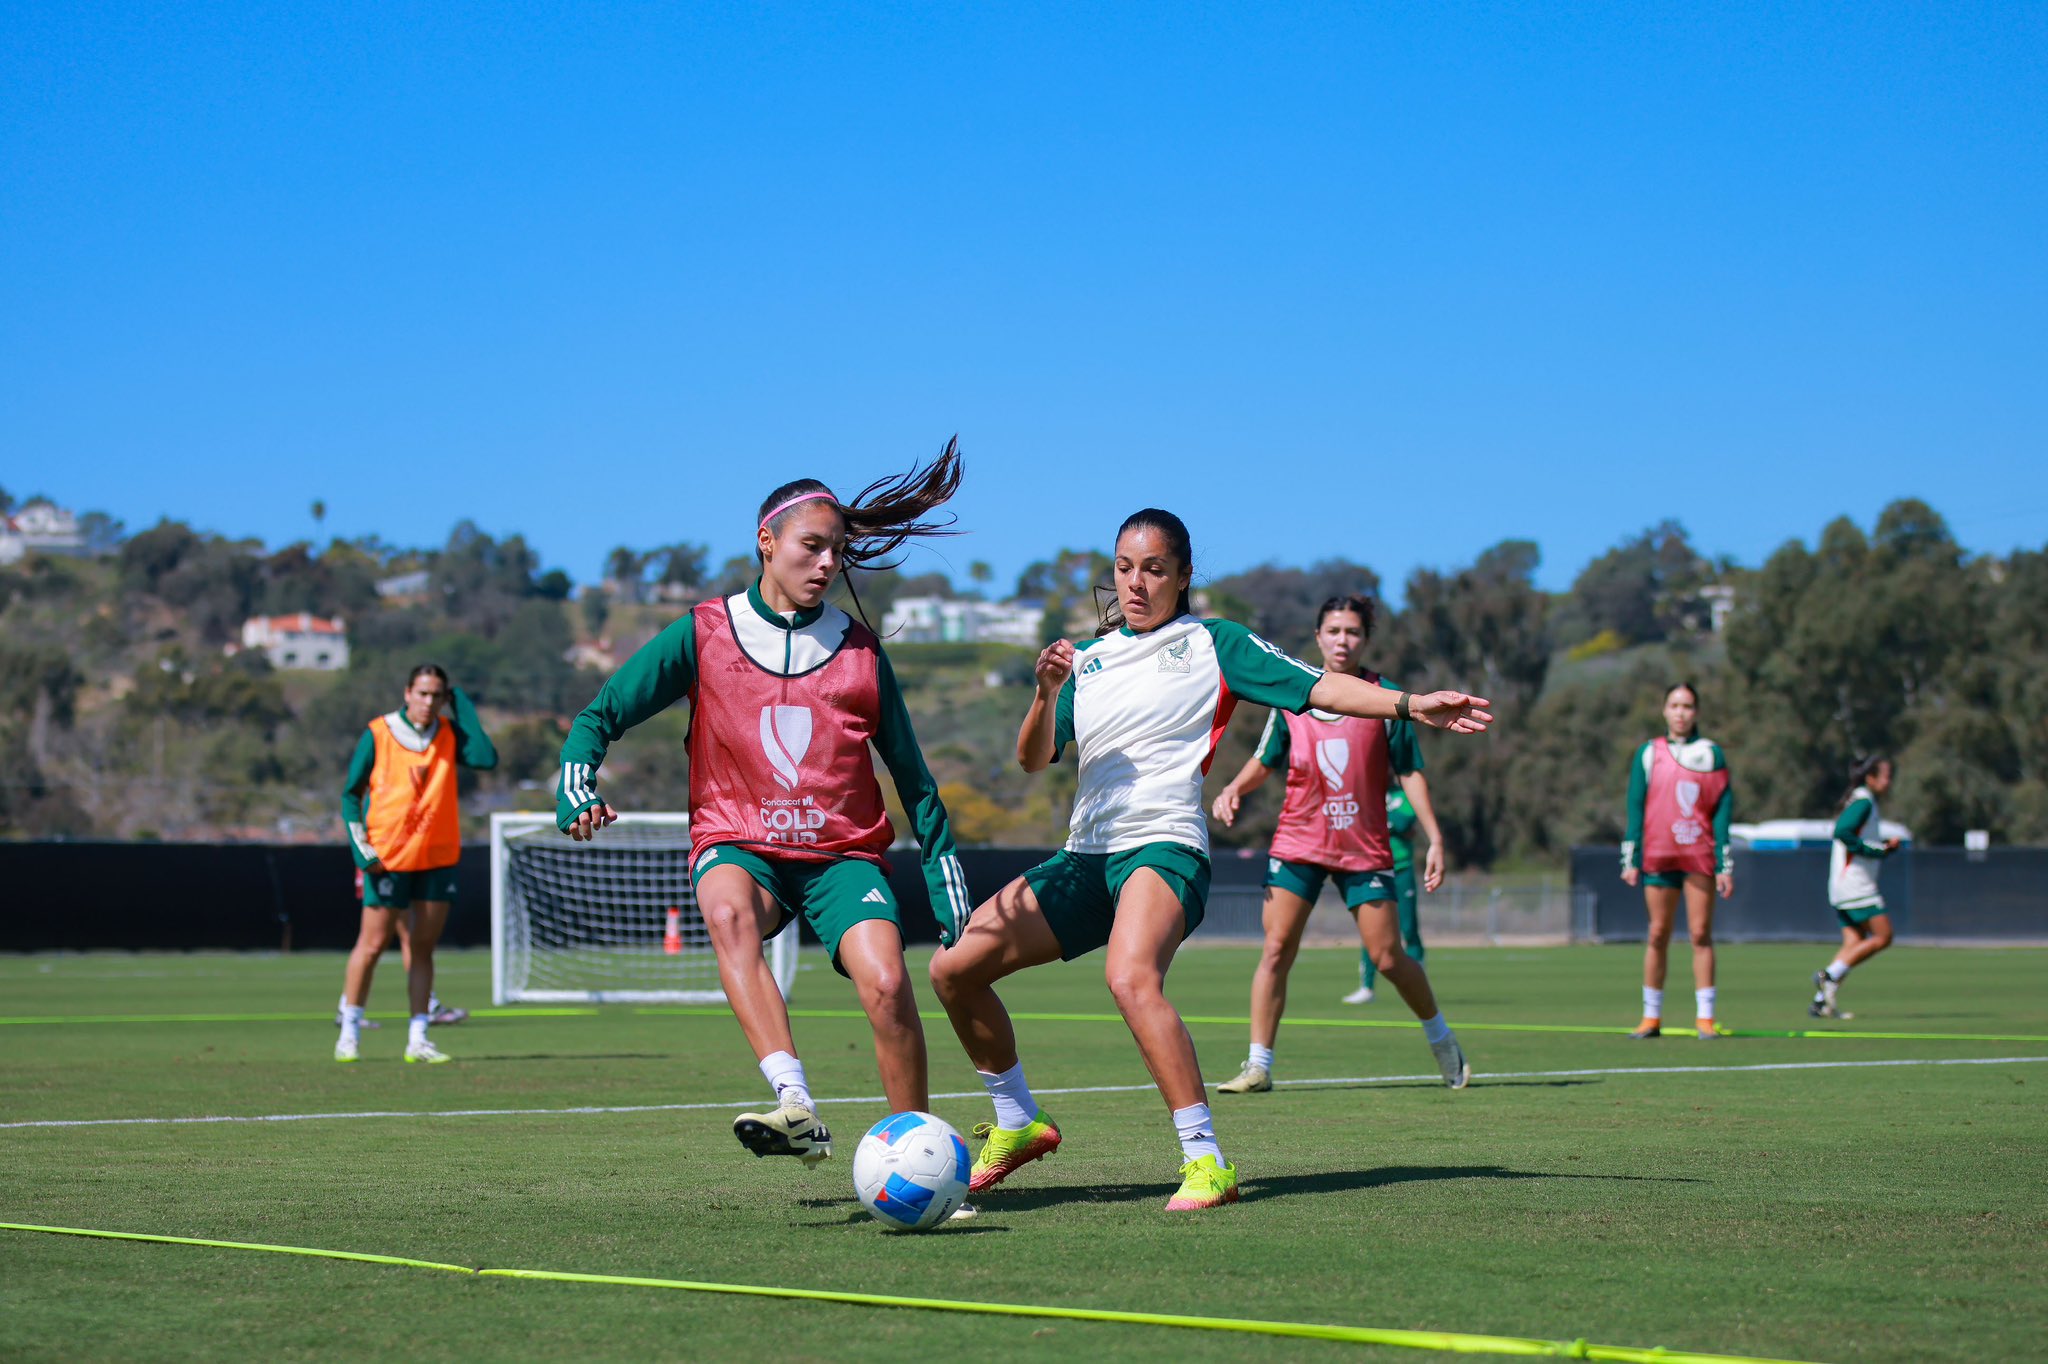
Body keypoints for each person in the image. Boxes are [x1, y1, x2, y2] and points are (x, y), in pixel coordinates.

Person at [928, 511, 1490, 1212]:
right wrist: (1045, 692)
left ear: (1184, 575)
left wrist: (1407, 705)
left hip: (1165, 848)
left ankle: (1206, 1161)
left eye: (1155, 569)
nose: (1137, 583)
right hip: (1085, 857)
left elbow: (1318, 687)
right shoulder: (1089, 661)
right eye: (1125, 568)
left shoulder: (1212, 644)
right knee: (953, 969)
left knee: (1131, 979)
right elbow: (1033, 758)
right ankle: (1018, 1123)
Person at [556, 442, 972, 1173]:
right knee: (725, 910)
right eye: (812, 547)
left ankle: (919, 1156)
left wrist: (945, 882)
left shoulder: (861, 653)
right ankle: (796, 1105)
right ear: (766, 541)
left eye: (836, 553)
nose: (826, 565)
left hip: (841, 855)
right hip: (739, 840)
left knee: (886, 982)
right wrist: (577, 782)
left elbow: (914, 778)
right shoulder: (705, 632)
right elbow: (601, 713)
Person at [1207, 594, 1459, 1095]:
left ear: (1365, 640)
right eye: (1334, 630)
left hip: (1363, 847)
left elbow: (1409, 771)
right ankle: (1258, 1065)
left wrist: (1434, 837)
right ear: (1318, 636)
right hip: (1298, 841)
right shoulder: (1293, 695)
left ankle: (1442, 1038)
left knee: (1388, 957)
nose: (1343, 640)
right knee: (1276, 948)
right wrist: (1235, 787)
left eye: (1353, 632)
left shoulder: (1387, 700)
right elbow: (1266, 759)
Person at [337, 664, 498, 1063]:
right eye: (422, 693)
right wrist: (362, 849)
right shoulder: (379, 732)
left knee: (423, 948)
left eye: (437, 695)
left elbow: (484, 757)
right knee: (372, 944)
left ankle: (418, 1039)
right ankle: (349, 1030)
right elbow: (349, 795)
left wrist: (462, 706)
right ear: (407, 692)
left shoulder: (447, 733)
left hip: (437, 857)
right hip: (387, 859)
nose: (428, 702)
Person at [1619, 682, 1733, 1040]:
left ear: (1696, 711)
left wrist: (1724, 862)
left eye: (1687, 706)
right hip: (1658, 853)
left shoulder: (1711, 754)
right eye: (1674, 705)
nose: (1680, 712)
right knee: (1657, 933)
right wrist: (1630, 856)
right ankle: (1651, 1017)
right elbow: (1635, 806)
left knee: (1700, 933)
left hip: (1698, 855)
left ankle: (1705, 1017)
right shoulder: (1648, 753)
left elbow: (1722, 811)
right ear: (1664, 710)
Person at [1810, 755, 1901, 1019]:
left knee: (1854, 943)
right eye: (1885, 775)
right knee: (1884, 936)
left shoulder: (1862, 800)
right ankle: (1828, 976)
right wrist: (1881, 849)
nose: (1889, 781)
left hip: (1841, 884)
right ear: (1870, 777)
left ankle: (1820, 1002)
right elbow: (1842, 832)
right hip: (1854, 883)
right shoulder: (1863, 801)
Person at [1343, 786, 1424, 1004]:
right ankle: (1367, 987)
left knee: (1408, 928)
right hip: (1374, 868)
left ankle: (1419, 985)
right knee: (1371, 929)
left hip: (1401, 869)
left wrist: (1381, 817)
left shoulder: (1403, 795)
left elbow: (1404, 822)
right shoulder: (1367, 790)